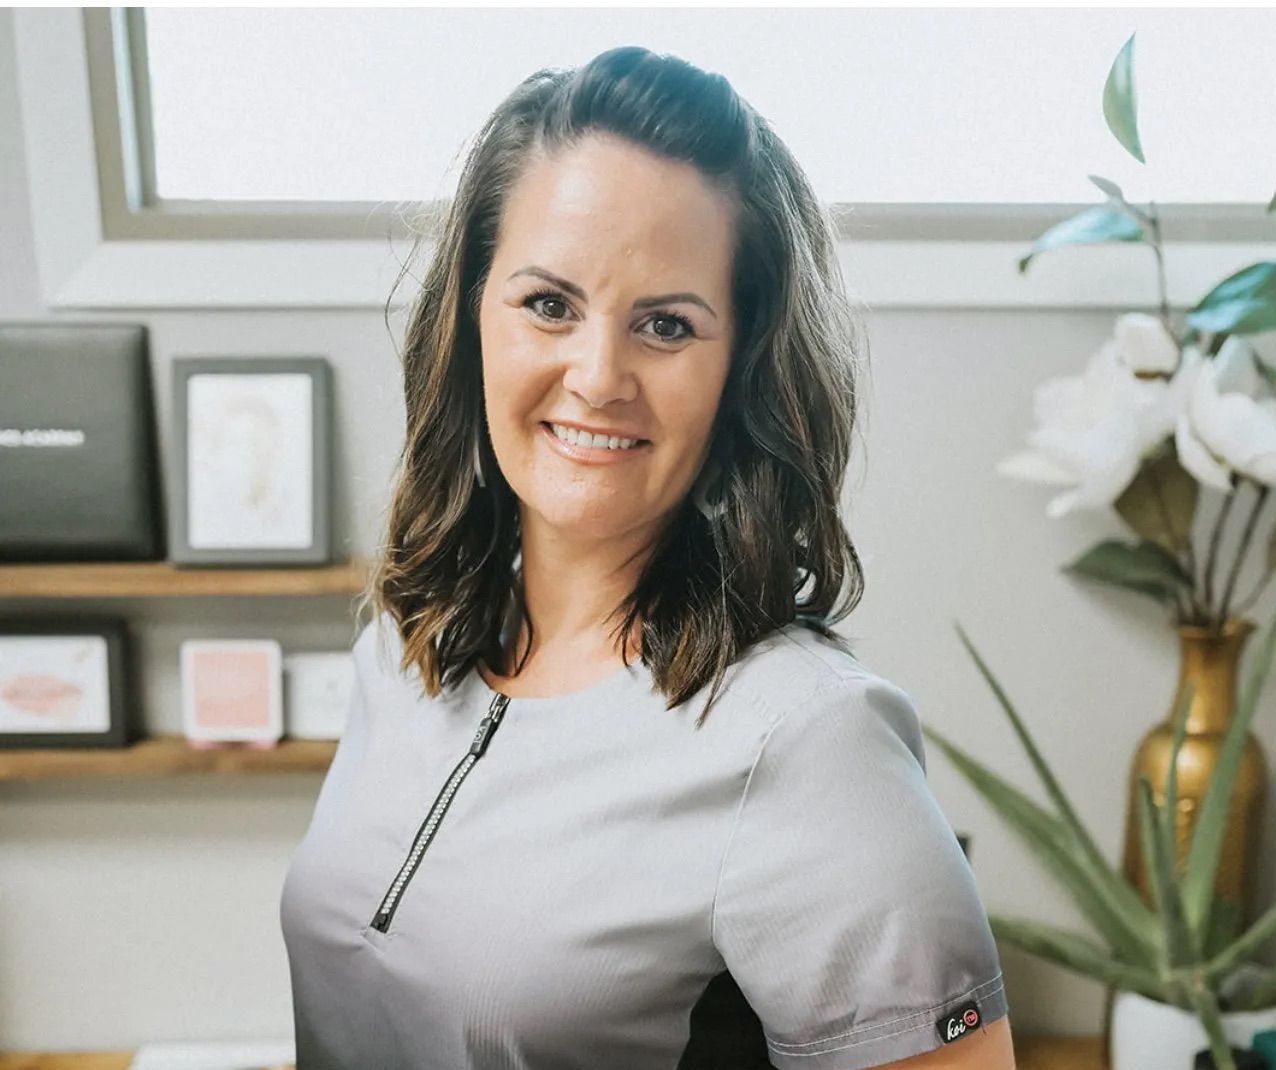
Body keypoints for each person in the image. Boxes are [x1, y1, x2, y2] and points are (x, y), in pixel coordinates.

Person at [279, 45, 1016, 1070]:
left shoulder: (808, 740)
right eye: (548, 304)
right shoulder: (404, 645)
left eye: (665, 325)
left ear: (739, 367)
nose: (597, 375)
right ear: (473, 317)